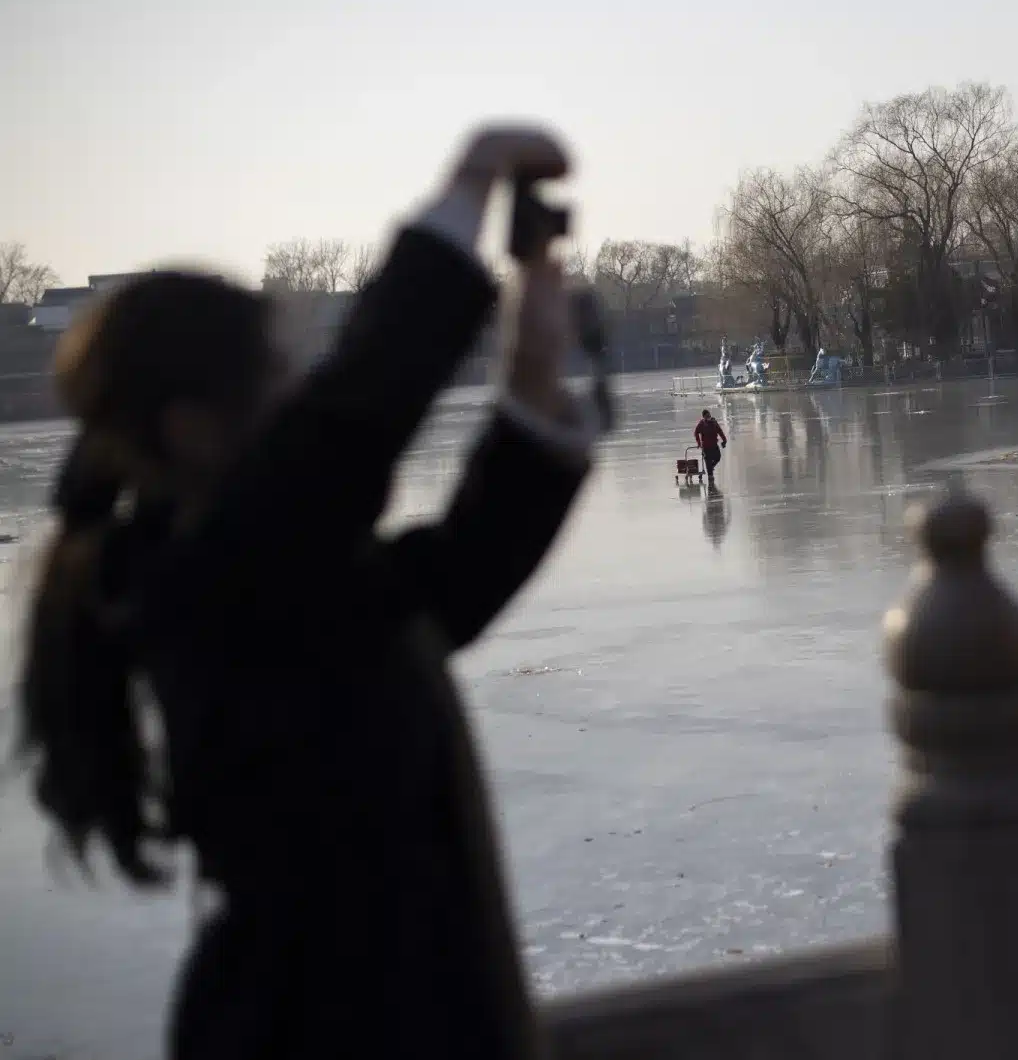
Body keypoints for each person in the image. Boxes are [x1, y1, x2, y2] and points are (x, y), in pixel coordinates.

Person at [16, 127, 592, 1060]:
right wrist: (473, 177)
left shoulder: (277, 589)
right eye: (281, 380)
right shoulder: (205, 590)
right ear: (193, 430)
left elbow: (459, 572)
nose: (302, 398)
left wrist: (533, 365)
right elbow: (352, 421)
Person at [694, 407, 728, 485]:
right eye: (706, 416)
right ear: (704, 417)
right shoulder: (701, 424)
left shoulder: (714, 422)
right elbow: (696, 433)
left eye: (709, 415)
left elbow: (720, 431)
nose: (708, 417)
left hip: (714, 445)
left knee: (718, 457)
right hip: (706, 447)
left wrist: (724, 440)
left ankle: (711, 467)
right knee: (708, 462)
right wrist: (699, 443)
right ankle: (710, 482)